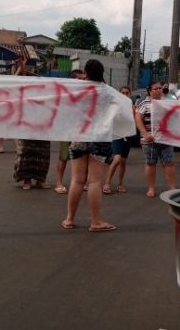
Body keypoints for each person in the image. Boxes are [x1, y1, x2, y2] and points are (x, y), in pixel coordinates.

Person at [62, 59, 116, 232]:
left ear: (86, 72)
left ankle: (69, 219)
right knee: (94, 182)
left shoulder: (78, 90)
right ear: (102, 72)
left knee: (76, 180)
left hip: (79, 136)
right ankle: (96, 221)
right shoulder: (108, 93)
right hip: (99, 138)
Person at [135, 81, 177, 197]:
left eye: (160, 88)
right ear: (150, 91)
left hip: (165, 139)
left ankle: (172, 189)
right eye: (156, 88)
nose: (159, 90)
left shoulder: (166, 103)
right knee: (151, 163)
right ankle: (151, 188)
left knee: (169, 163)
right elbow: (138, 119)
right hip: (149, 140)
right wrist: (145, 134)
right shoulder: (144, 103)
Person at [55, 69, 87, 194]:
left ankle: (81, 182)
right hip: (67, 129)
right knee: (63, 156)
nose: (83, 81)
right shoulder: (65, 94)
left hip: (82, 129)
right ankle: (59, 182)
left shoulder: (86, 94)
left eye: (84, 79)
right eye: (80, 79)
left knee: (82, 156)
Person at [102, 86, 135, 194]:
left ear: (130, 94)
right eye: (123, 93)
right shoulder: (114, 106)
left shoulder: (132, 106)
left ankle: (120, 184)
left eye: (127, 93)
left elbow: (135, 120)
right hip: (116, 135)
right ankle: (107, 183)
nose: (125, 95)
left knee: (123, 162)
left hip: (127, 136)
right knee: (116, 159)